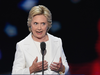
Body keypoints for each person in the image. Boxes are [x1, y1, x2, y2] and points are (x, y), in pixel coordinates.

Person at [12, 5, 69, 75]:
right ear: (30, 24)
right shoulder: (22, 45)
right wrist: (31, 69)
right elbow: (15, 73)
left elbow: (65, 67)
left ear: (48, 24)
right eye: (36, 23)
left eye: (43, 23)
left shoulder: (57, 41)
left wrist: (62, 68)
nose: (39, 28)